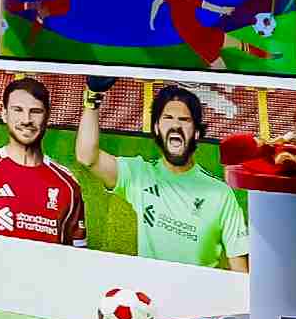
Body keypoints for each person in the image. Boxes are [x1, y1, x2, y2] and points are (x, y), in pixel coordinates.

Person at [76, 80, 250, 265]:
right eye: (168, 118)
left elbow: (240, 269)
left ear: (196, 133)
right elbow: (87, 156)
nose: (176, 125)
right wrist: (93, 97)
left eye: (184, 120)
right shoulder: (140, 175)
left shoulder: (220, 194)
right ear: (157, 129)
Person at [0, 75, 92, 245]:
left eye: (35, 111)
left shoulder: (68, 184)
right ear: (4, 114)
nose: (26, 120)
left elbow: (78, 252)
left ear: (47, 117)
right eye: (18, 110)